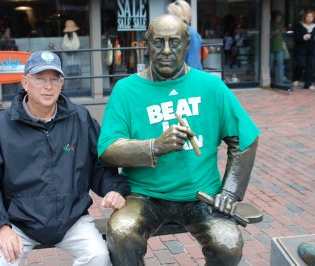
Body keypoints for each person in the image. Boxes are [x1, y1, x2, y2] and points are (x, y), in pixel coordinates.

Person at [97, 14, 259, 266]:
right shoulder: (126, 90)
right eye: (158, 42)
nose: (166, 51)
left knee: (228, 243)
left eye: (174, 42)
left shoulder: (211, 87)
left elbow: (245, 139)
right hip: (144, 196)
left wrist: (229, 192)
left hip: (201, 196)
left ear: (187, 45)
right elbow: (107, 149)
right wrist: (155, 147)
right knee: (121, 232)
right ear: (146, 44)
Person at [0, 51, 130, 266]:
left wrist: (114, 189)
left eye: (54, 79)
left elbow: (100, 163)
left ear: (62, 83)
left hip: (72, 219)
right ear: (25, 82)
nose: (48, 86)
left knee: (98, 256)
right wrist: (0, 227)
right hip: (18, 223)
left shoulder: (79, 119)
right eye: (40, 78)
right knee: (0, 261)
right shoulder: (1, 127)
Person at [168, 0, 202, 70]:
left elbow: (193, 63)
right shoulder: (172, 31)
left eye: (170, 14)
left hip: (187, 77)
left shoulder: (190, 33)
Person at [292, 9, 315, 90]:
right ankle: (295, 78)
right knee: (301, 65)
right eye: (308, 16)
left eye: (311, 16)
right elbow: (295, 38)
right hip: (300, 50)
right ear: (305, 17)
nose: (310, 18)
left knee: (311, 67)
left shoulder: (314, 26)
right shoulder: (299, 25)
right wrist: (304, 37)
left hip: (311, 50)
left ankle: (307, 84)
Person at [270, 10, 290, 85]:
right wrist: (275, 32)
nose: (279, 18)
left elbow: (283, 35)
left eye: (280, 17)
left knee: (280, 64)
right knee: (270, 64)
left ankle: (280, 79)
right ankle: (272, 78)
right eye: (278, 17)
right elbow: (267, 35)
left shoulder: (281, 25)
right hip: (271, 47)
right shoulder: (271, 25)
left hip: (279, 47)